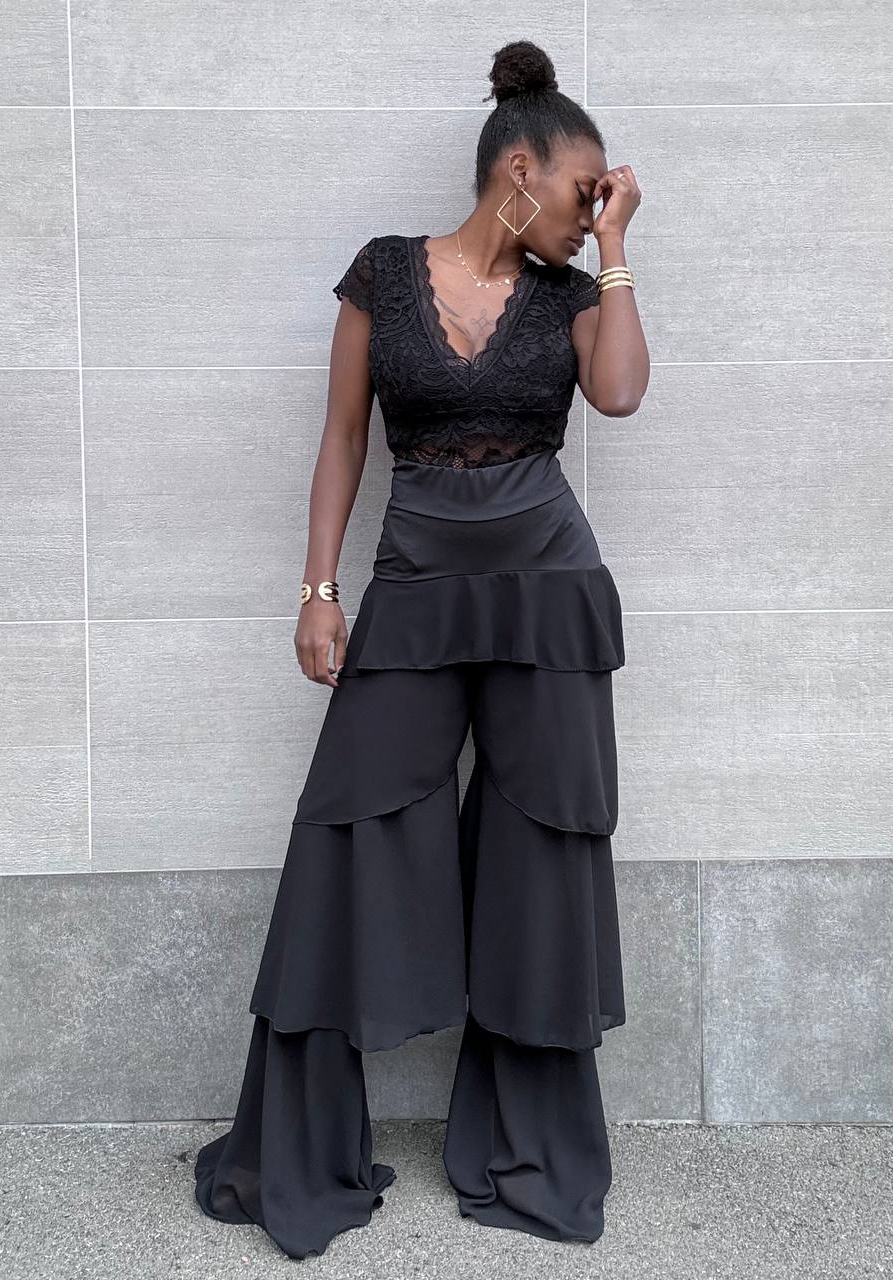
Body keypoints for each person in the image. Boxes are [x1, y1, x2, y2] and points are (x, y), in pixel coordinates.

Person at [193, 38, 649, 1260]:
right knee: (344, 831)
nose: (591, 209)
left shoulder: (573, 293)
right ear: (517, 171)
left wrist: (613, 249)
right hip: (414, 583)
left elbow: (616, 395)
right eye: (584, 190)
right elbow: (343, 439)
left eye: (603, 200)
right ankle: (298, 1146)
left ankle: (527, 1151)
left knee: (541, 847)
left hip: (545, 593)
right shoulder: (384, 274)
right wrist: (318, 589)